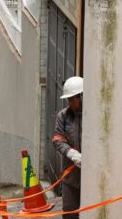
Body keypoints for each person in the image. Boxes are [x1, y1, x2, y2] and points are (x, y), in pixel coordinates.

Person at [52, 75, 83, 218]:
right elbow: (58, 139)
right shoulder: (63, 117)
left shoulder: (93, 116)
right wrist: (70, 153)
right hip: (70, 176)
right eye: (68, 99)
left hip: (89, 176)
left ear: (81, 96)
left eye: (72, 99)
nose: (69, 103)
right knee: (70, 213)